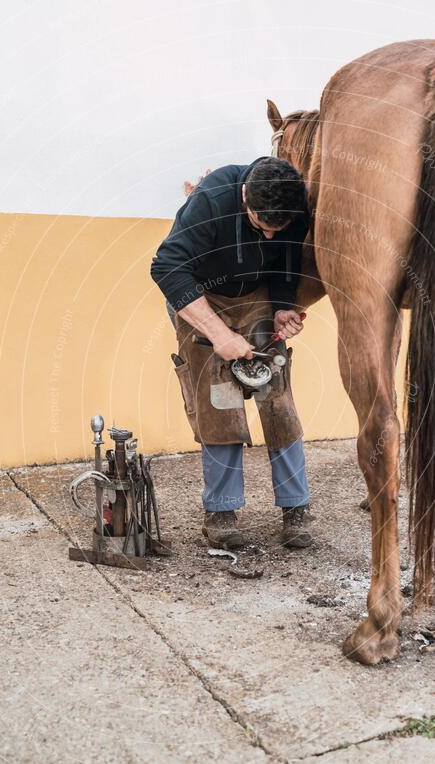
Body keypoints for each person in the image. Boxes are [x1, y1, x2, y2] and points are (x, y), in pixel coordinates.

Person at [151, 156, 314, 549]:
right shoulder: (212, 200)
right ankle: (221, 511)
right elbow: (166, 267)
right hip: (202, 298)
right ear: (244, 198)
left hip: (255, 295)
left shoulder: (294, 207)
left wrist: (283, 306)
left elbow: (286, 260)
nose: (271, 237)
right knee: (220, 400)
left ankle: (297, 507)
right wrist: (220, 335)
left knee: (276, 397)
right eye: (262, 227)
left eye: (281, 229)